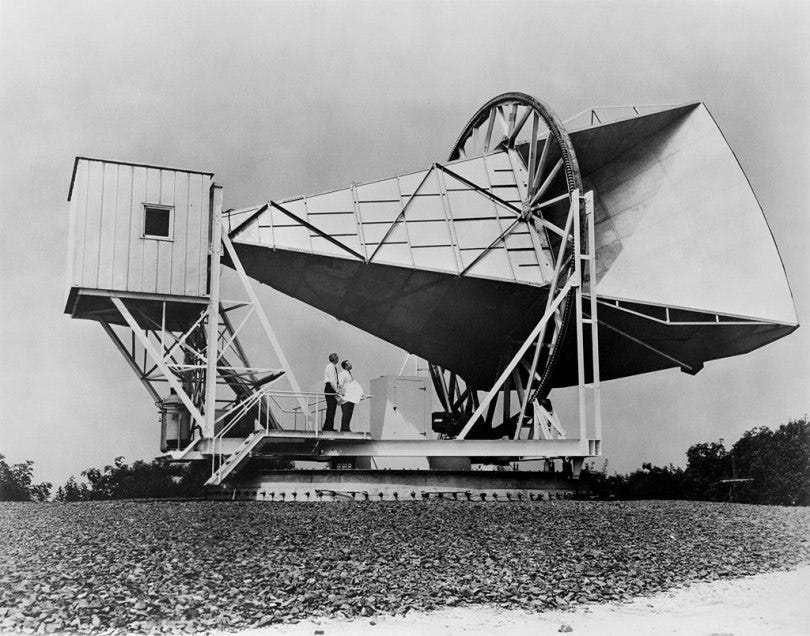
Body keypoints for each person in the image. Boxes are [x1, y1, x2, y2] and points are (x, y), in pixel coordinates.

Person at [337, 360, 363, 432]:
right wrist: (342, 395)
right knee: (346, 412)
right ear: (345, 366)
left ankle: (346, 427)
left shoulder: (349, 374)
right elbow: (340, 384)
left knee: (349, 413)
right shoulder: (343, 374)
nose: (351, 364)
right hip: (346, 397)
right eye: (349, 364)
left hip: (351, 397)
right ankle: (344, 428)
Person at [322, 352, 340, 431]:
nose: (338, 359)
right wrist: (336, 391)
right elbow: (332, 380)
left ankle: (328, 426)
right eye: (337, 358)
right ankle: (328, 427)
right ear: (334, 359)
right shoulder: (331, 367)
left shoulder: (331, 366)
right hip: (330, 387)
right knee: (331, 407)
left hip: (330, 387)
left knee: (331, 407)